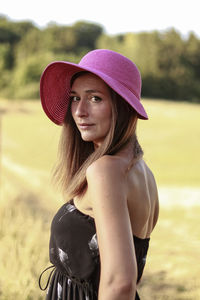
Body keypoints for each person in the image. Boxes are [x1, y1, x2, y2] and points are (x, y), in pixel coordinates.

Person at [39, 49, 159, 300]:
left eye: (95, 99)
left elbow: (119, 283)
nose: (80, 111)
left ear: (123, 106)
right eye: (74, 98)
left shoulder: (105, 170)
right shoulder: (141, 170)